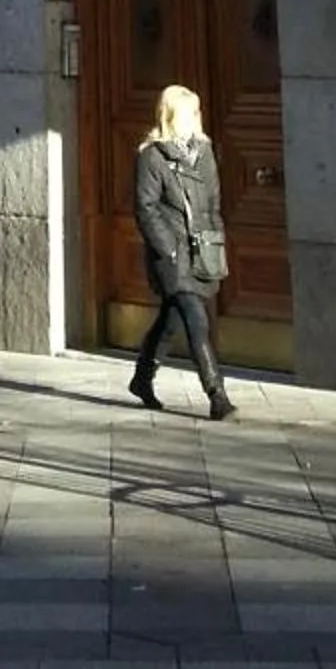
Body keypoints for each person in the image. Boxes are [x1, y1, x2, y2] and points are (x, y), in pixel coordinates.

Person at [129, 82, 235, 422]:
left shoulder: (204, 153)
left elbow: (214, 203)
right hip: (172, 254)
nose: (195, 118)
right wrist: (167, 249)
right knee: (195, 316)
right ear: (172, 117)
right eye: (189, 113)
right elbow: (146, 208)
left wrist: (216, 240)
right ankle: (217, 395)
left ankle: (142, 379)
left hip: (201, 249)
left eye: (196, 112)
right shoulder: (152, 156)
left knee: (170, 319)